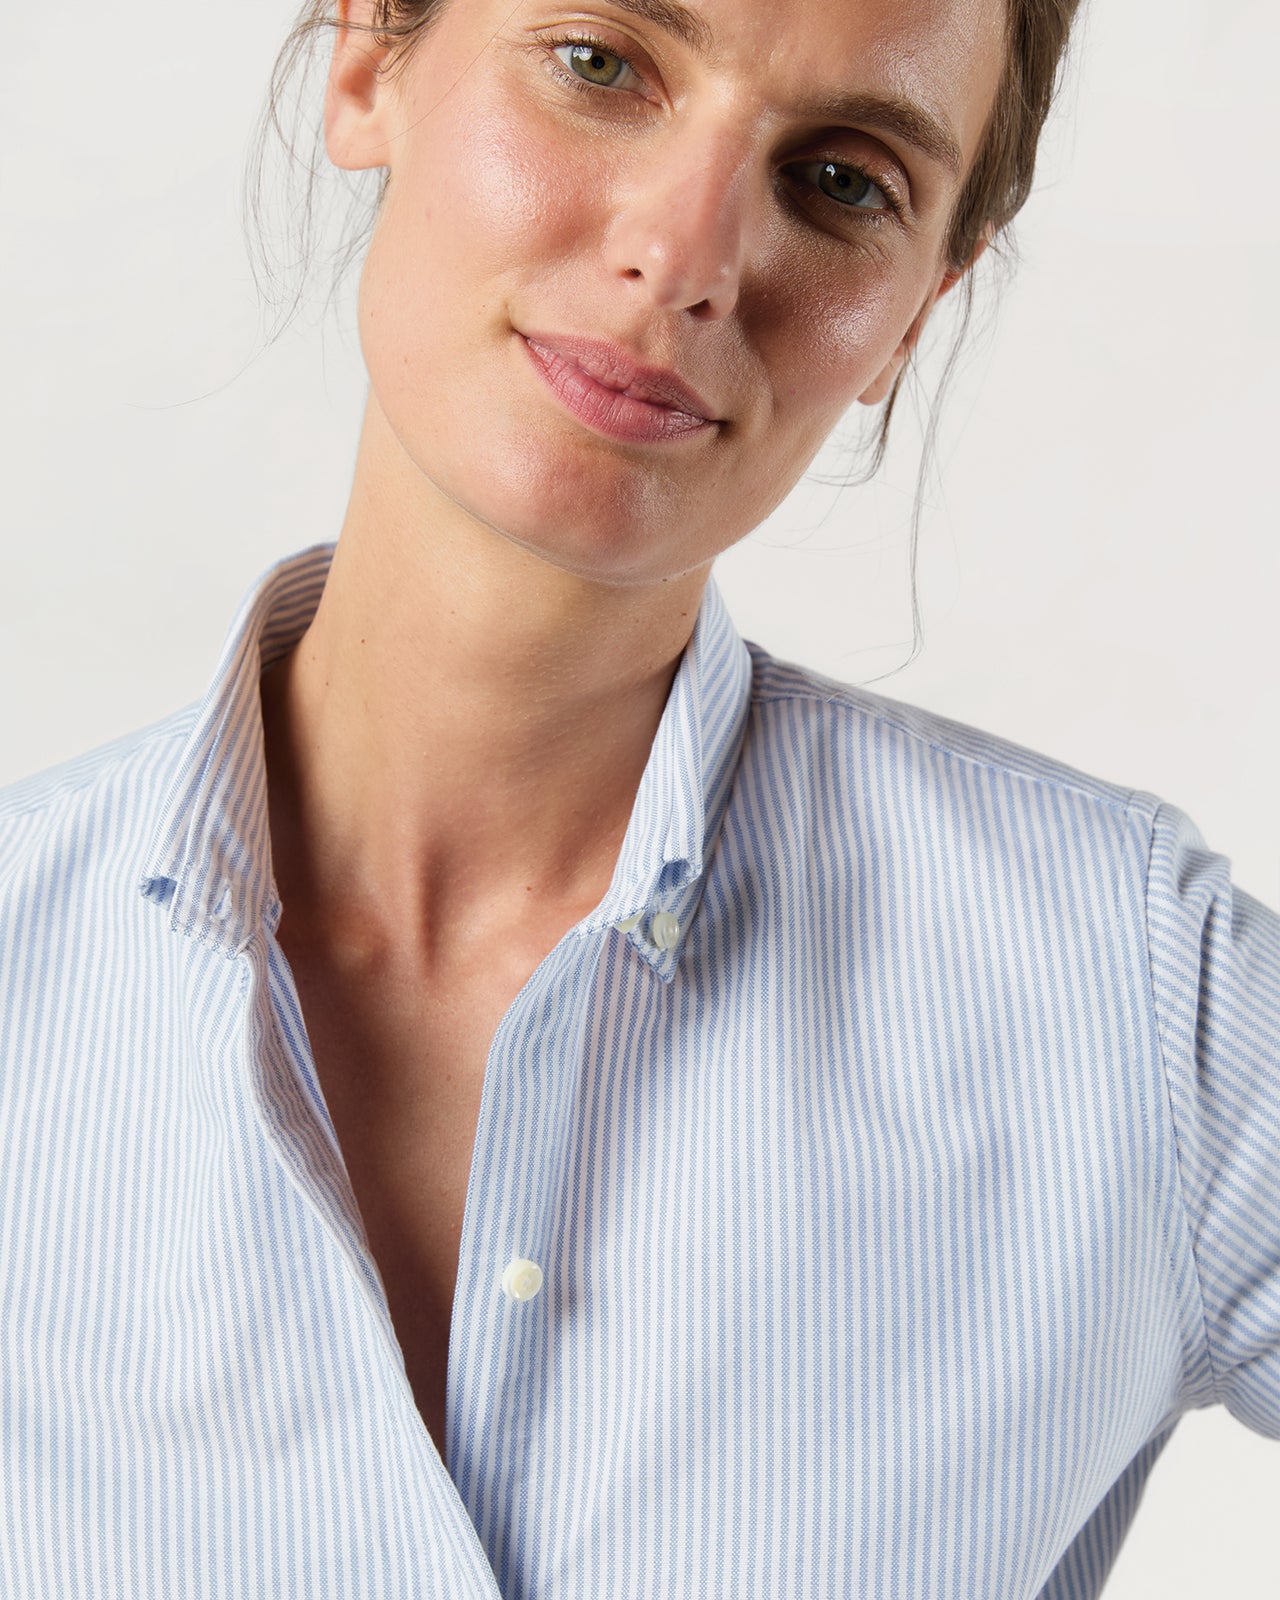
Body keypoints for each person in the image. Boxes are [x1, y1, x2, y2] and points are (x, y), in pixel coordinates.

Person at [1, 0, 1276, 1596]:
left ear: (912, 319)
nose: (687, 257)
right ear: (365, 57)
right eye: (602, 65)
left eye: (841, 179)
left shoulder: (1140, 1003)